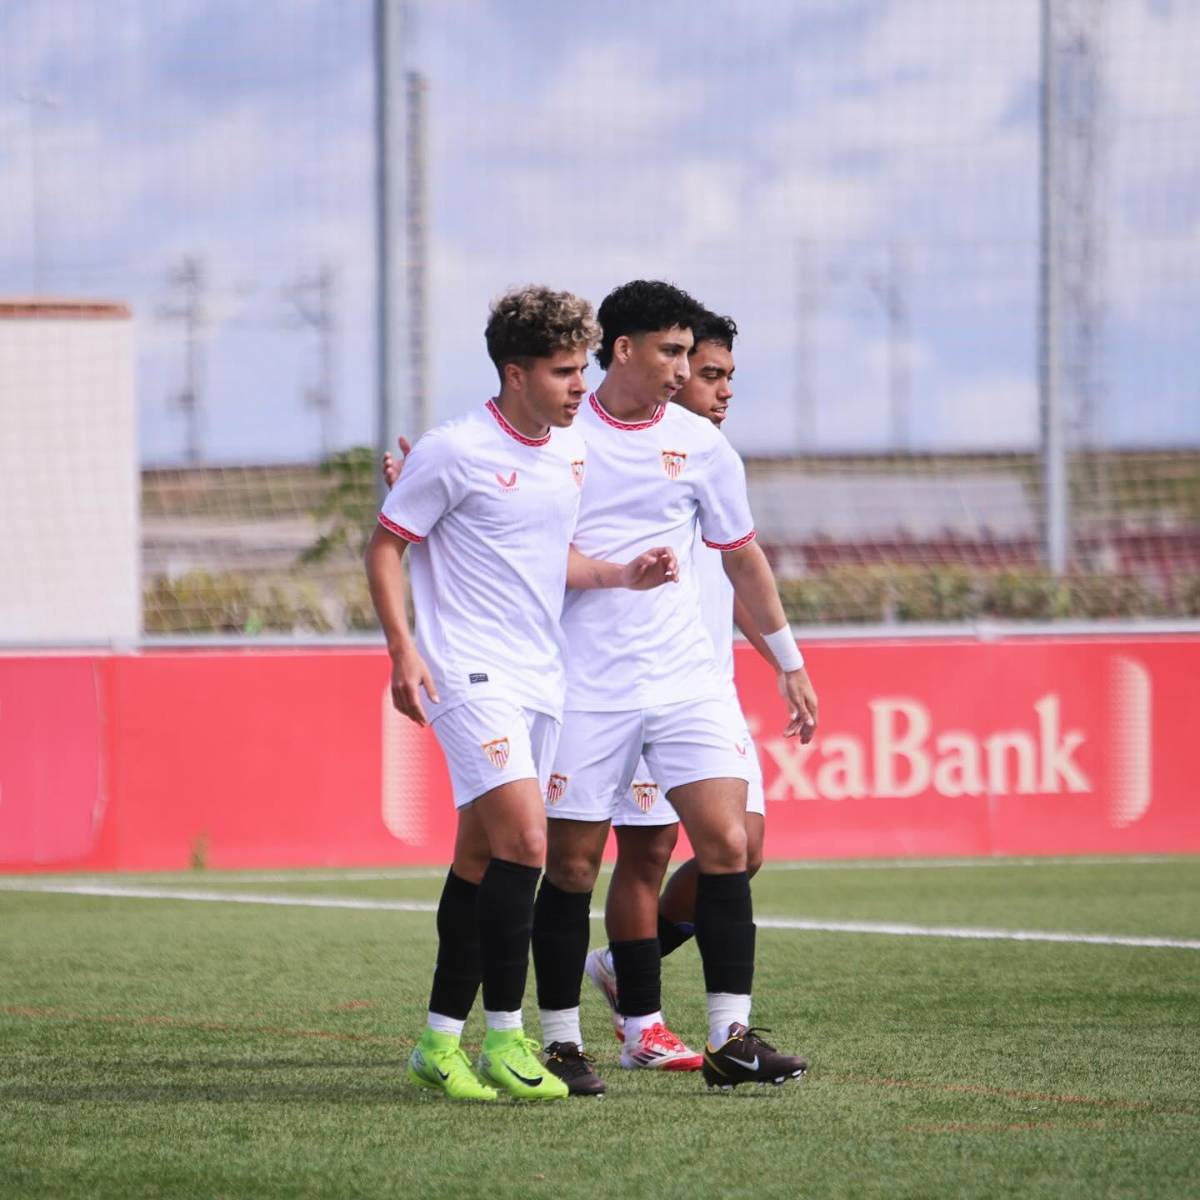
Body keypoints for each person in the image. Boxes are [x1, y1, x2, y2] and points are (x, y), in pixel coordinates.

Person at [365, 284, 678, 1103]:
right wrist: (403, 653)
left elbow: (548, 559)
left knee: (479, 859)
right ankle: (507, 1038)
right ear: (515, 372)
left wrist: (620, 574)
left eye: (584, 368)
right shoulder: (454, 448)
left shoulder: (569, 452)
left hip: (542, 677)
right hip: (466, 674)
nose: (583, 386)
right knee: (528, 845)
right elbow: (385, 548)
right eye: (565, 371)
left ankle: (439, 1043)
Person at [530, 280, 818, 1095]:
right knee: (576, 867)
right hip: (586, 684)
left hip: (687, 679)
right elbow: (512, 538)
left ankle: (731, 1038)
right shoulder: (560, 436)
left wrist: (790, 660)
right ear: (621, 349)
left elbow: (741, 553)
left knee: (729, 845)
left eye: (691, 354)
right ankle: (560, 1043)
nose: (685, 368)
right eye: (672, 352)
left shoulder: (702, 445)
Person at [583, 309, 784, 1044]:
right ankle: (645, 1022)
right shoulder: (623, 455)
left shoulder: (708, 459)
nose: (719, 389)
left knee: (744, 847)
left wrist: (786, 664)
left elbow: (739, 583)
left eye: (728, 376)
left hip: (705, 690)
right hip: (630, 683)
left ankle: (618, 965)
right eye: (705, 373)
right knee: (647, 850)